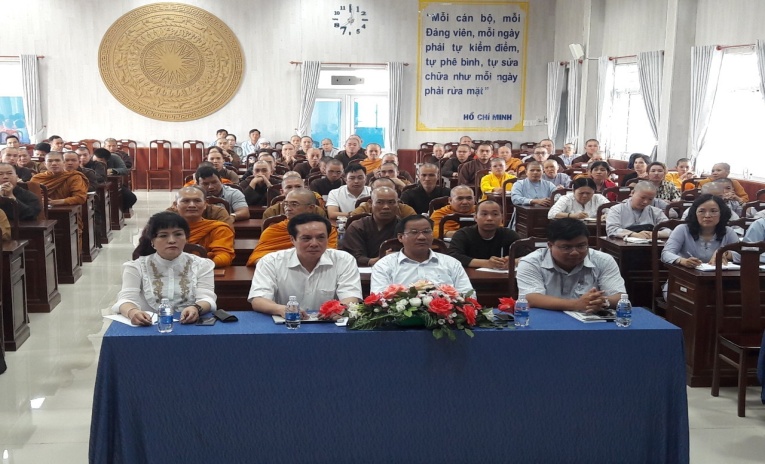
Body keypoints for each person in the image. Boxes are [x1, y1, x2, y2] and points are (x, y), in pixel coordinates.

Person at [112, 211, 216, 326]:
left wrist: (196, 308)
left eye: (178, 234)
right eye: (163, 235)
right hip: (149, 326)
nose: (172, 240)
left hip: (189, 324)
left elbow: (207, 298)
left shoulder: (202, 265)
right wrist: (133, 312)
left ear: (186, 238)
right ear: (152, 241)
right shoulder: (136, 267)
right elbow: (125, 300)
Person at [249, 213, 361, 317]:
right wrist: (281, 309)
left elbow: (351, 297)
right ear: (292, 239)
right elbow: (259, 299)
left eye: (321, 237)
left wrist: (338, 310)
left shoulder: (344, 260)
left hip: (329, 325)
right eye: (306, 238)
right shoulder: (271, 261)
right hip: (287, 323)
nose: (314, 244)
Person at [516, 218, 626, 312]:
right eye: (566, 247)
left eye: (581, 246)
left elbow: (620, 297)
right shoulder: (531, 262)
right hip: (547, 321)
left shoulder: (603, 260)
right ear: (550, 245)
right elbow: (531, 297)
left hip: (590, 322)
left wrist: (602, 302)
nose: (575, 252)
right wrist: (576, 305)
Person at [370, 215, 473, 294]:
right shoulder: (384, 265)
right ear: (401, 237)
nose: (422, 237)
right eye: (414, 232)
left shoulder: (452, 264)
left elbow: (468, 296)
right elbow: (379, 300)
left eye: (427, 232)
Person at [246, 189, 337, 266]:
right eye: (286, 204)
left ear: (311, 208)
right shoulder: (273, 230)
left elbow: (328, 256)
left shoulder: (327, 231)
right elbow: (258, 258)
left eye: (294, 204)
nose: (288, 208)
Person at [662, 194, 737, 269]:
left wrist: (725, 253)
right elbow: (666, 253)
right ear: (695, 213)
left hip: (717, 277)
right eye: (702, 211)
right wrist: (682, 261)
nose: (707, 215)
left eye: (713, 211)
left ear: (722, 213)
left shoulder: (728, 231)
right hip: (685, 277)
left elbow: (743, 255)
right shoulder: (682, 229)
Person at [446, 200, 519, 269]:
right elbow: (453, 256)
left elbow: (527, 256)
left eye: (495, 214)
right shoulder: (463, 234)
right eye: (484, 214)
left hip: (503, 279)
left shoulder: (509, 234)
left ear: (502, 218)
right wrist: (487, 263)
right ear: (475, 217)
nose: (489, 218)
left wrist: (513, 262)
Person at [174, 186, 235, 268]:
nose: (192, 205)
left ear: (205, 205)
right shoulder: (165, 230)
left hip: (206, 273)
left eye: (197, 201)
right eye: (185, 201)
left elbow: (224, 256)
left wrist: (202, 265)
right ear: (175, 205)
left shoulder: (219, 229)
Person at [340, 187, 401, 266]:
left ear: (398, 204)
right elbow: (352, 257)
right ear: (370, 203)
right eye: (380, 202)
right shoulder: (357, 226)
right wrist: (381, 260)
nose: (386, 207)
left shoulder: (406, 228)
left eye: (391, 202)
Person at [605, 181, 670, 239]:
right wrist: (634, 234)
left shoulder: (656, 212)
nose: (645, 202)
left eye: (650, 199)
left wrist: (656, 234)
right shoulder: (616, 209)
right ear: (632, 193)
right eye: (642, 197)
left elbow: (670, 230)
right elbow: (612, 229)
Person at [350, 177, 416, 217]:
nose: (386, 207)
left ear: (396, 192)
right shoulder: (366, 207)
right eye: (379, 190)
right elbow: (352, 220)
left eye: (388, 190)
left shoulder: (404, 210)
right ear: (371, 194)